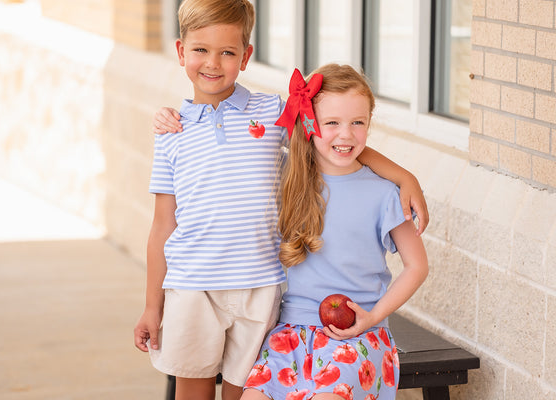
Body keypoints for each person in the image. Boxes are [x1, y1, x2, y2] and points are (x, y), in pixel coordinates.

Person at [134, 1, 428, 399]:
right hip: (192, 285)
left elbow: (333, 141)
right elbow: (162, 227)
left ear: (246, 57)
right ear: (181, 51)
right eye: (201, 50)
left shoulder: (273, 113)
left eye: (228, 52)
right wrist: (153, 306)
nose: (213, 63)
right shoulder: (172, 132)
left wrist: (404, 175)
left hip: (260, 286)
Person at [241, 64, 429, 400]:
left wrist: (373, 316)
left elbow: (417, 267)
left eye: (358, 122)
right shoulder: (288, 179)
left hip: (357, 336)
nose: (346, 135)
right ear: (310, 124)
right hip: (290, 337)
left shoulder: (385, 194)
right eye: (332, 123)